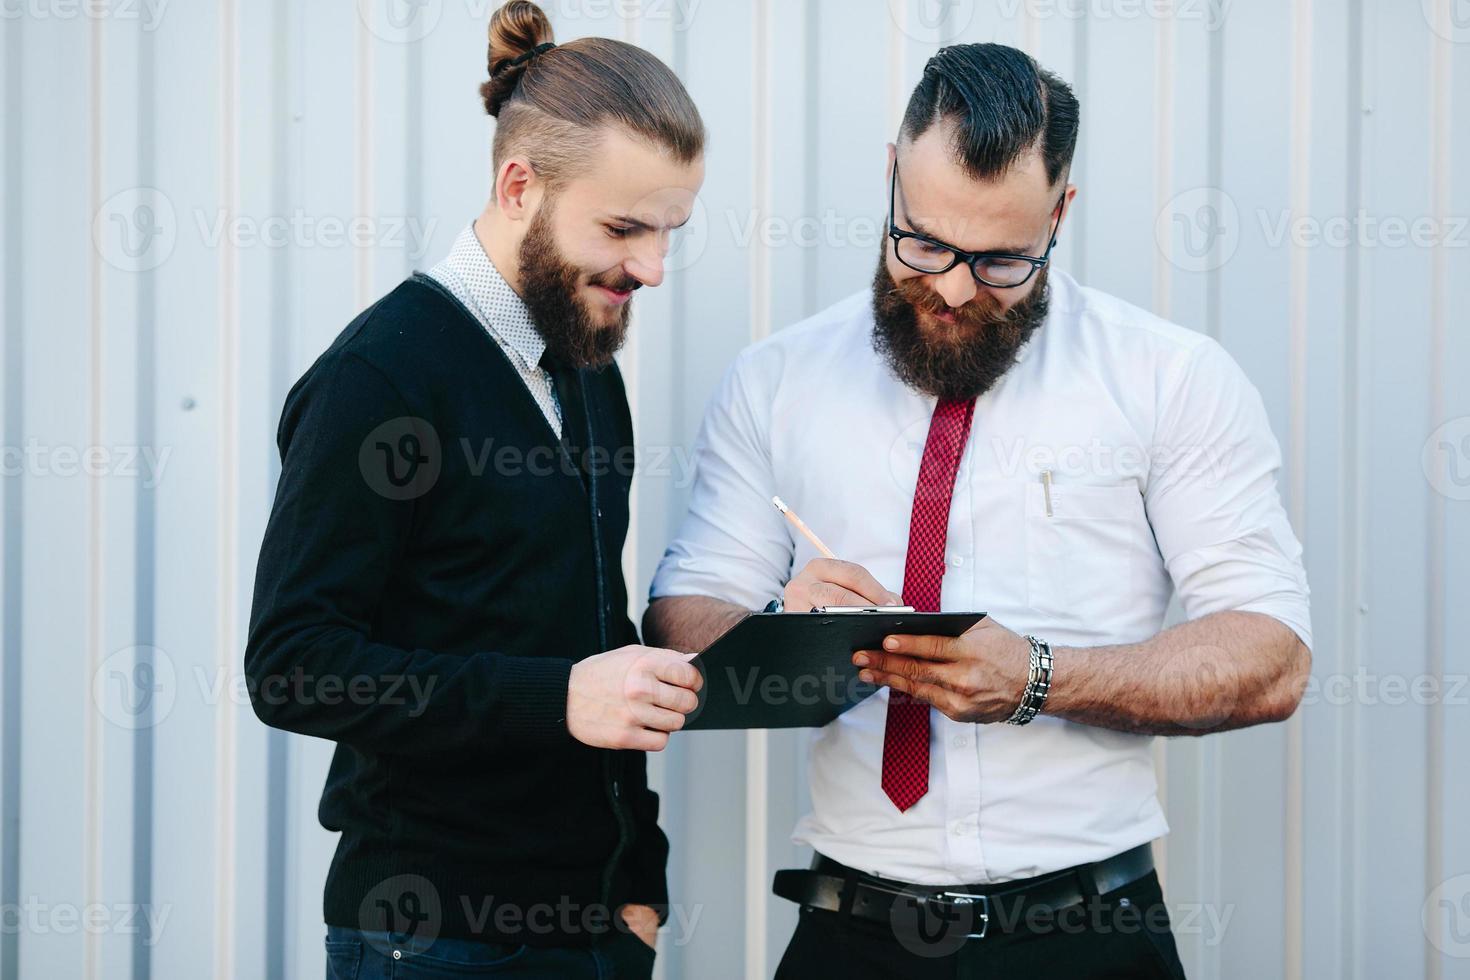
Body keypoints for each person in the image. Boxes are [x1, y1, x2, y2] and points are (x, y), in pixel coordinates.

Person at [645, 43, 1311, 979]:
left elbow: (1271, 658)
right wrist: (786, 636)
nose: (955, 286)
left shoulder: (1171, 380)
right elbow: (683, 613)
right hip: (852, 934)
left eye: (1001, 259)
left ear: (1060, 214)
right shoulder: (776, 381)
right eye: (923, 242)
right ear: (890, 178)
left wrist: (1040, 677)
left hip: (1086, 936)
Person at [244, 3, 706, 977]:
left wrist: (638, 882)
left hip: (594, 927)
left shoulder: (587, 366)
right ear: (518, 185)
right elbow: (292, 662)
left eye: (671, 231)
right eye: (624, 228)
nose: (653, 268)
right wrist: (557, 697)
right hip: (429, 934)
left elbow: (592, 626)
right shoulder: (383, 377)